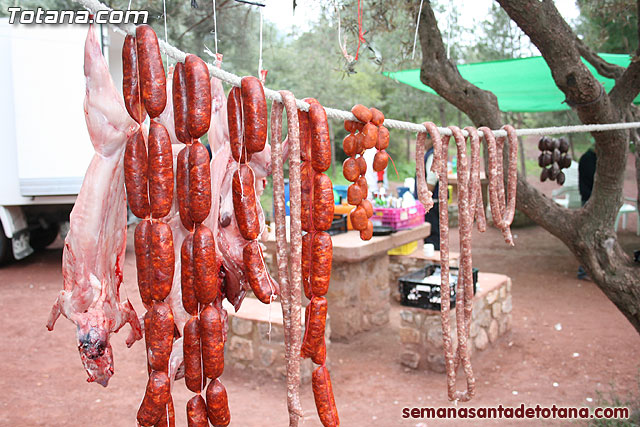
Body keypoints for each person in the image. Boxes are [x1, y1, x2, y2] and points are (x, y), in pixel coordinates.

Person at [414, 144, 440, 250]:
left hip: (431, 202)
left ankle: (435, 262)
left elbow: (431, 180)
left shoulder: (432, 154)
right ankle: (434, 261)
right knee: (431, 234)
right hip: (429, 201)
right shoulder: (430, 153)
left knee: (432, 234)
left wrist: (426, 198)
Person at [577, 145, 597, 280]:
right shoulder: (588, 159)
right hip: (588, 199)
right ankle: (583, 271)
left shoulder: (596, 159)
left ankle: (589, 269)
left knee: (596, 237)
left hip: (592, 198)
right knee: (589, 236)